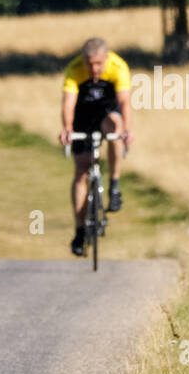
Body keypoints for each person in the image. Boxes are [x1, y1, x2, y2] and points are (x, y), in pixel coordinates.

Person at [57, 38, 132, 257]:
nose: (94, 69)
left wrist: (127, 130)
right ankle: (79, 230)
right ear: (83, 60)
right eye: (89, 64)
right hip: (82, 117)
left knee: (115, 129)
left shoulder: (118, 67)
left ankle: (114, 185)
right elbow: (68, 103)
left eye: (98, 64)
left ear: (106, 59)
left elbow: (125, 102)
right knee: (81, 172)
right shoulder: (74, 70)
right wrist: (68, 128)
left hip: (107, 114)